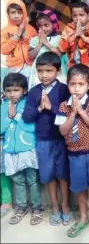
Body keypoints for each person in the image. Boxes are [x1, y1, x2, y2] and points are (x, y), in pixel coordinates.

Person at [54, 65, 89, 240]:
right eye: (72, 84)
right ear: (67, 85)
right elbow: (62, 131)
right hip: (74, 154)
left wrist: (82, 112)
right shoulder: (63, 106)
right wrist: (72, 113)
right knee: (79, 187)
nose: (76, 88)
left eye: (81, 84)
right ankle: (84, 217)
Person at [22, 52, 72, 226]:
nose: (44, 75)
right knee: (49, 175)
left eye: (49, 71)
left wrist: (52, 107)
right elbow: (27, 117)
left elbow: (69, 111)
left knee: (63, 175)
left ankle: (66, 206)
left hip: (62, 139)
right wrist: (39, 108)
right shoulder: (34, 92)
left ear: (57, 71)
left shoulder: (64, 89)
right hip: (43, 140)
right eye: (40, 71)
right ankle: (55, 207)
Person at [1, 73, 43, 225]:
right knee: (17, 179)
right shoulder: (4, 105)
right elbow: (1, 128)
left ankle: (37, 207)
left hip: (27, 148)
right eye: (8, 90)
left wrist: (17, 116)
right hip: (11, 151)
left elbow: (32, 127)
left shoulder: (28, 104)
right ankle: (21, 207)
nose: (12, 94)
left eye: (16, 90)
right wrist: (9, 117)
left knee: (32, 179)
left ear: (25, 90)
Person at [59, 2, 89, 98]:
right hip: (73, 65)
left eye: (81, 15)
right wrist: (75, 35)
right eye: (75, 15)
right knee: (75, 89)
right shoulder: (68, 28)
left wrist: (82, 36)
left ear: (88, 16)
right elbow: (62, 48)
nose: (78, 18)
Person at [28, 10, 68, 90]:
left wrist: (46, 43)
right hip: (39, 72)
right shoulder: (35, 39)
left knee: (56, 92)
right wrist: (40, 43)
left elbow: (59, 54)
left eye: (46, 25)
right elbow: (31, 56)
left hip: (56, 70)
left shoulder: (60, 38)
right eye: (40, 26)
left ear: (54, 24)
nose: (43, 28)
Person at [1, 0, 37, 79]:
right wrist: (17, 35)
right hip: (13, 68)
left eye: (19, 12)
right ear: (8, 14)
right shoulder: (5, 31)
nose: (16, 16)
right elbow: (4, 50)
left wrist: (24, 34)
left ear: (24, 13)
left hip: (31, 66)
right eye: (13, 12)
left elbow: (35, 47)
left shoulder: (31, 30)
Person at [0, 87, 12, 218]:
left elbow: (4, 125)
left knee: (1, 172)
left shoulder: (4, 104)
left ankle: (6, 201)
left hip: (3, 140)